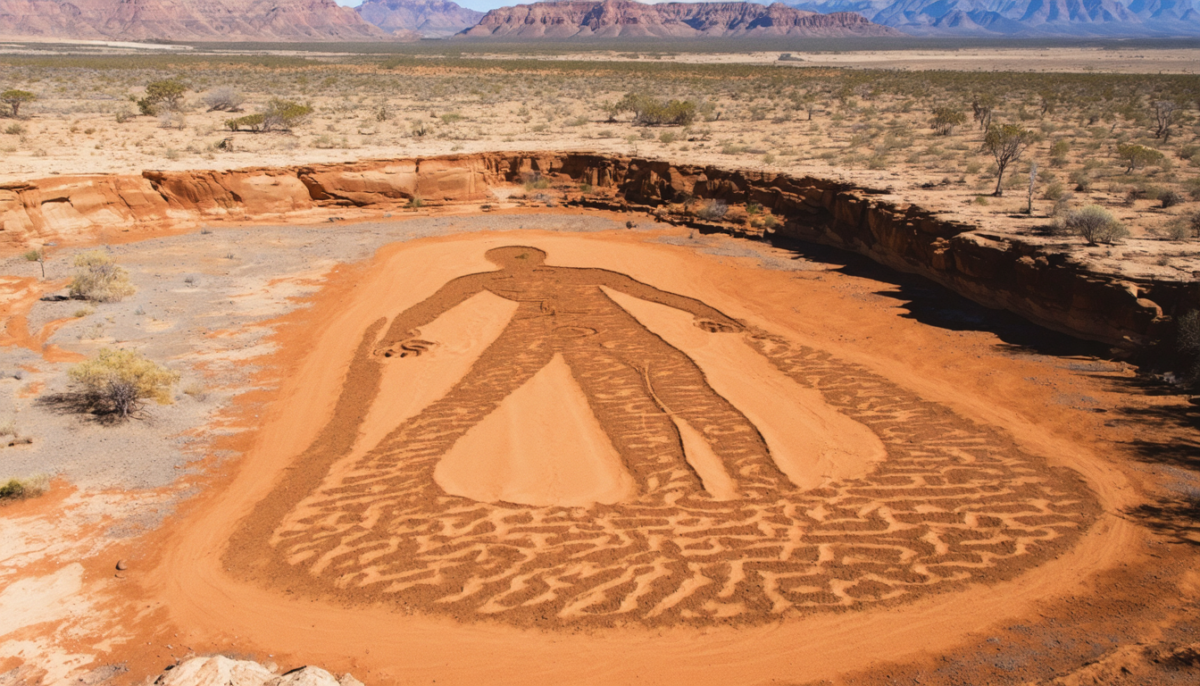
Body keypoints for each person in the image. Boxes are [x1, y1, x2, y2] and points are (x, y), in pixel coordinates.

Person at [370, 245, 785, 501]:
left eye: (523, 261)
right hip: (560, 332)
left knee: (673, 392)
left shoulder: (502, 278)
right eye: (514, 263)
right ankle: (684, 484)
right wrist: (398, 334)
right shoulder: (508, 279)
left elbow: (654, 294)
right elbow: (429, 307)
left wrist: (715, 315)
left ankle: (742, 476)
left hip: (607, 330)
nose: (521, 267)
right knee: (634, 400)